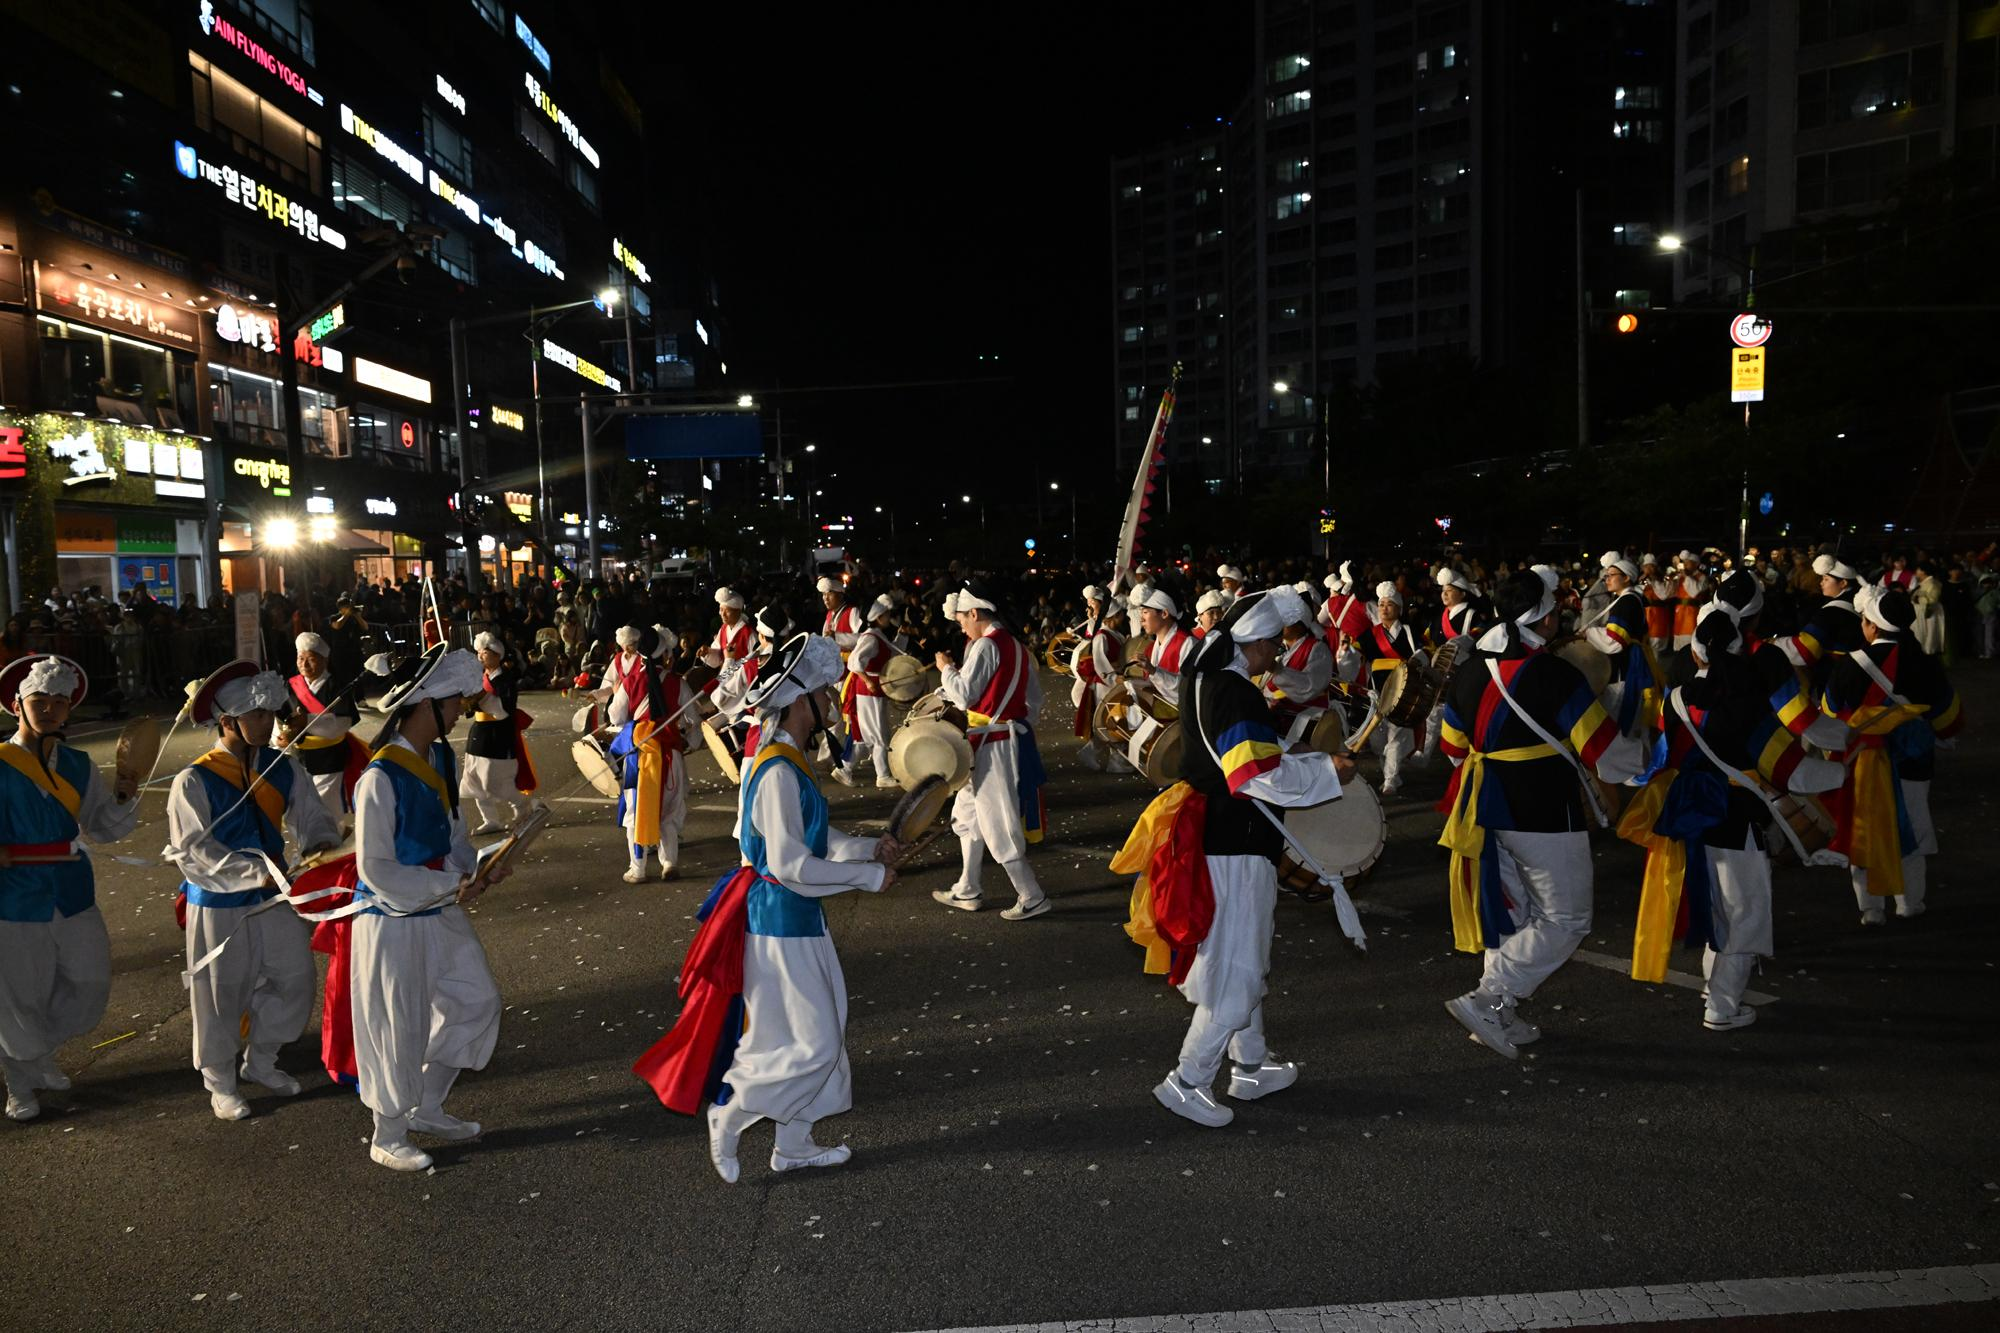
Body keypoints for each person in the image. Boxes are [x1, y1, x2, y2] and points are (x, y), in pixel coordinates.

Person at [1144, 588, 1354, 1127]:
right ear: (1255, 644)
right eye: (1272, 647)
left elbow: (1237, 757)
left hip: (1216, 831)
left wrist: (1295, 754)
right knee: (1237, 966)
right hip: (1236, 840)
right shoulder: (1236, 691)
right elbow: (1252, 776)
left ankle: (1251, 1066)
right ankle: (1187, 1080)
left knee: (1242, 956)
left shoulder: (1201, 676)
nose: (1277, 657)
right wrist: (1327, 771)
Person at [1437, 570, 1646, 1058]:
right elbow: (1603, 749)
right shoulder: (1556, 674)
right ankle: (1487, 999)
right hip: (1544, 807)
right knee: (1567, 917)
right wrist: (1650, 761)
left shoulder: (1469, 670)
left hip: (1485, 806)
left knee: (1512, 913)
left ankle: (1498, 1014)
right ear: (1546, 617)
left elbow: (1451, 748)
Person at [1619, 605, 1845, 1029]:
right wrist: (1842, 771)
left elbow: (1665, 756)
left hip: (1690, 815)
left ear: (1698, 655)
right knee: (1745, 911)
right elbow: (1790, 769)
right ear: (1738, 651)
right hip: (1736, 815)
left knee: (1715, 906)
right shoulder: (1747, 704)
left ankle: (1715, 987)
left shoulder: (1678, 698)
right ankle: (1722, 1005)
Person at [349, 647, 508, 1172]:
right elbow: (377, 869)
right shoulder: (379, 777)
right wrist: (451, 882)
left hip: (437, 907)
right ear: (428, 705)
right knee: (399, 1024)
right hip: (392, 920)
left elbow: (454, 834)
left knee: (476, 1000)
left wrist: (480, 868)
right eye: (457, 701)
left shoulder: (440, 757)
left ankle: (427, 1105)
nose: (464, 709)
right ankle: (387, 1133)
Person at [166, 661, 341, 1120]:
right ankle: (220, 1082)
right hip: (219, 904)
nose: (268, 722)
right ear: (227, 722)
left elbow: (312, 816)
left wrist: (321, 842)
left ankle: (262, 1060)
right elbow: (192, 852)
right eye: (257, 715)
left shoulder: (283, 767)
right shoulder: (193, 780)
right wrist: (253, 873)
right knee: (220, 993)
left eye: (270, 713)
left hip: (276, 896)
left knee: (295, 981)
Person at [0, 656, 139, 1121]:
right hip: (14, 897)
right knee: (19, 994)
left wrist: (123, 792)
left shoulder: (78, 764)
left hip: (73, 889)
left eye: (60, 703)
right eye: (40, 701)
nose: (50, 710)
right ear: (17, 705)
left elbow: (101, 827)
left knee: (88, 982)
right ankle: (20, 1082)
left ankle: (37, 1051)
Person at [1821, 584, 1964, 925]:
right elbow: (1948, 716)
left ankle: (1871, 908)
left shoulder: (1851, 664)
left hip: (1863, 761)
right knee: (1913, 824)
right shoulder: (1925, 663)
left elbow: (1828, 712)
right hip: (1914, 759)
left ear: (1872, 625)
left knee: (1864, 829)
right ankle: (1909, 902)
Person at [931, 580, 1050, 920]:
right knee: (968, 816)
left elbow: (966, 694)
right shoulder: (1014, 645)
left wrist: (945, 670)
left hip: (991, 745)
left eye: (963, 620)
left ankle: (1032, 895)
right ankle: (968, 889)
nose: (962, 626)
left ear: (974, 612)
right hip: (993, 739)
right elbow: (1033, 700)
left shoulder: (985, 646)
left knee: (997, 822)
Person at [604, 626, 691, 883]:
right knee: (669, 812)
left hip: (640, 755)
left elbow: (615, 717)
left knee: (635, 811)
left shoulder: (630, 682)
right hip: (670, 757)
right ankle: (669, 863)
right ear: (664, 653)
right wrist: (690, 740)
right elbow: (692, 719)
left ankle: (638, 868)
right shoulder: (678, 682)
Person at [460, 631, 541, 835]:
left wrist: (482, 699)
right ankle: (490, 820)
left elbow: (505, 710)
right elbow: (471, 707)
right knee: (475, 780)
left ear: (497, 654)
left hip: (498, 735)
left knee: (495, 780)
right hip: (479, 733)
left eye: (484, 652)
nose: (480, 656)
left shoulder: (505, 679)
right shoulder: (480, 678)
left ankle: (524, 807)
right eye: (478, 652)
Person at [286, 631, 368, 827]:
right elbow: (280, 719)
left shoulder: (336, 686)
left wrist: (307, 721)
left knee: (328, 807)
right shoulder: (291, 686)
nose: (304, 665)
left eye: (311, 659)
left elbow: (342, 724)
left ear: (324, 660)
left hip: (329, 758)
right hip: (300, 759)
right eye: (300, 658)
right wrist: (282, 736)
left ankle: (332, 844)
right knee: (302, 808)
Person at [1582, 551, 1661, 737]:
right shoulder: (1628, 599)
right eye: (1606, 576)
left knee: (1622, 712)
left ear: (1626, 578)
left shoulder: (1626, 602)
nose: (1607, 580)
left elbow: (1615, 641)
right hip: (1632, 660)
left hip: (1627, 666)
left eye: (1611, 576)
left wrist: (1588, 634)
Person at [1357, 581, 1421, 795]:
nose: (1384, 608)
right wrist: (1346, 652)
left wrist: (1420, 659)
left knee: (1395, 736)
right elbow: (1354, 659)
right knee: (1377, 741)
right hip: (1377, 692)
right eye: (1381, 604)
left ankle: (1390, 780)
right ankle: (1392, 771)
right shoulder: (1368, 635)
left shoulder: (1411, 633)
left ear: (1399, 609)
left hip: (1403, 692)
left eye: (1389, 604)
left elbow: (1424, 654)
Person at [835, 595, 902, 789]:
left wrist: (903, 635)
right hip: (869, 691)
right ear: (879, 617)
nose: (889, 617)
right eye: (887, 615)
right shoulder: (871, 638)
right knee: (879, 735)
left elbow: (895, 654)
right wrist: (867, 681)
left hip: (872, 690)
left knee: (866, 736)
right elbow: (855, 662)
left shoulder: (876, 635)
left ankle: (844, 768)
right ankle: (882, 775)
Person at [1778, 553, 1864, 693]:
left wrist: (1773, 643)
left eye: (1826, 579)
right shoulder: (1858, 601)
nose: (1821, 583)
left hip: (1835, 675)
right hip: (1854, 671)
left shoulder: (1832, 612)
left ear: (1843, 583)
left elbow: (1803, 649)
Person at [1263, 593, 1335, 747]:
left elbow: (1309, 686)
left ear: (1301, 623)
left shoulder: (1317, 648)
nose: (1280, 624)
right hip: (1279, 719)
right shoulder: (1279, 649)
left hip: (1307, 721)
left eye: (1286, 620)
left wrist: (1277, 669)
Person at [1070, 586, 1127, 773]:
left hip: (1111, 682)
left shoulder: (1111, 634)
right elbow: (1101, 664)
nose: (1122, 618)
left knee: (1112, 722)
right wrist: (1114, 678)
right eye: (1119, 615)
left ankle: (1106, 758)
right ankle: (1115, 762)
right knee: (1112, 721)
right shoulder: (1102, 636)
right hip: (1105, 685)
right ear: (1112, 617)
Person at [1134, 585, 1194, 702]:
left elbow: (1186, 687)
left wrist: (1153, 671)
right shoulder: (1151, 648)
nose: (1141, 619)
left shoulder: (1187, 643)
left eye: (1145, 612)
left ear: (1164, 614)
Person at [1639, 555, 1674, 655]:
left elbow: (1663, 595)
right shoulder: (1641, 580)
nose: (1649, 569)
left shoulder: (1661, 581)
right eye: (1647, 566)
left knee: (1656, 645)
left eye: (1651, 566)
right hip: (1645, 616)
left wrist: (1655, 581)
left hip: (1658, 616)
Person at [709, 587, 753, 663]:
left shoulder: (748, 633)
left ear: (738, 612)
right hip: (725, 673)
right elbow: (718, 654)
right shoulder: (723, 628)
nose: (723, 614)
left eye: (727, 611)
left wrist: (732, 662)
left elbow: (753, 660)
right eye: (721, 610)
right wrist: (708, 652)